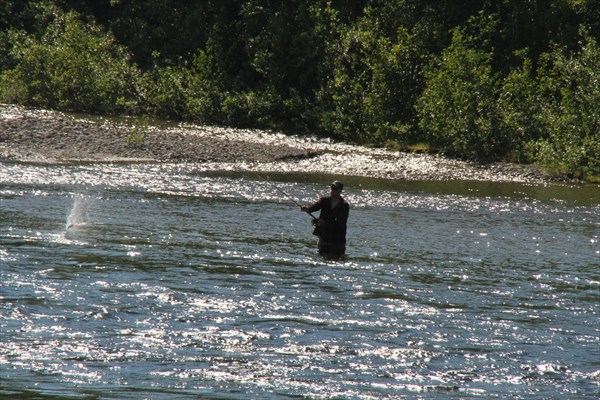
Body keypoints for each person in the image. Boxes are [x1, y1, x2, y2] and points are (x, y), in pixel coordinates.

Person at [300, 181, 349, 258]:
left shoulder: (344, 205)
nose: (332, 190)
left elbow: (341, 223)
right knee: (321, 256)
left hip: (337, 238)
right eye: (332, 188)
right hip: (324, 235)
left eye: (335, 189)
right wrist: (306, 209)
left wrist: (324, 223)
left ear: (340, 191)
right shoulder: (324, 200)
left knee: (337, 258)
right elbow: (314, 207)